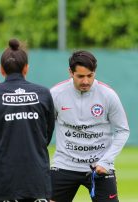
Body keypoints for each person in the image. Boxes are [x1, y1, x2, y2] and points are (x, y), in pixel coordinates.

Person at [0, 39, 55, 202]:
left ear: (2, 69)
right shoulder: (43, 93)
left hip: (4, 179)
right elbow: (47, 135)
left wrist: (1, 152)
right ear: (26, 68)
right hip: (37, 179)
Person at [50, 50, 130, 202]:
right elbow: (43, 129)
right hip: (64, 165)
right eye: (80, 76)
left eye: (90, 75)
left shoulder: (108, 95)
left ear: (95, 72)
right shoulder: (55, 94)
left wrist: (106, 160)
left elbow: (122, 130)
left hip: (99, 167)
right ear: (70, 72)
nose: (86, 81)